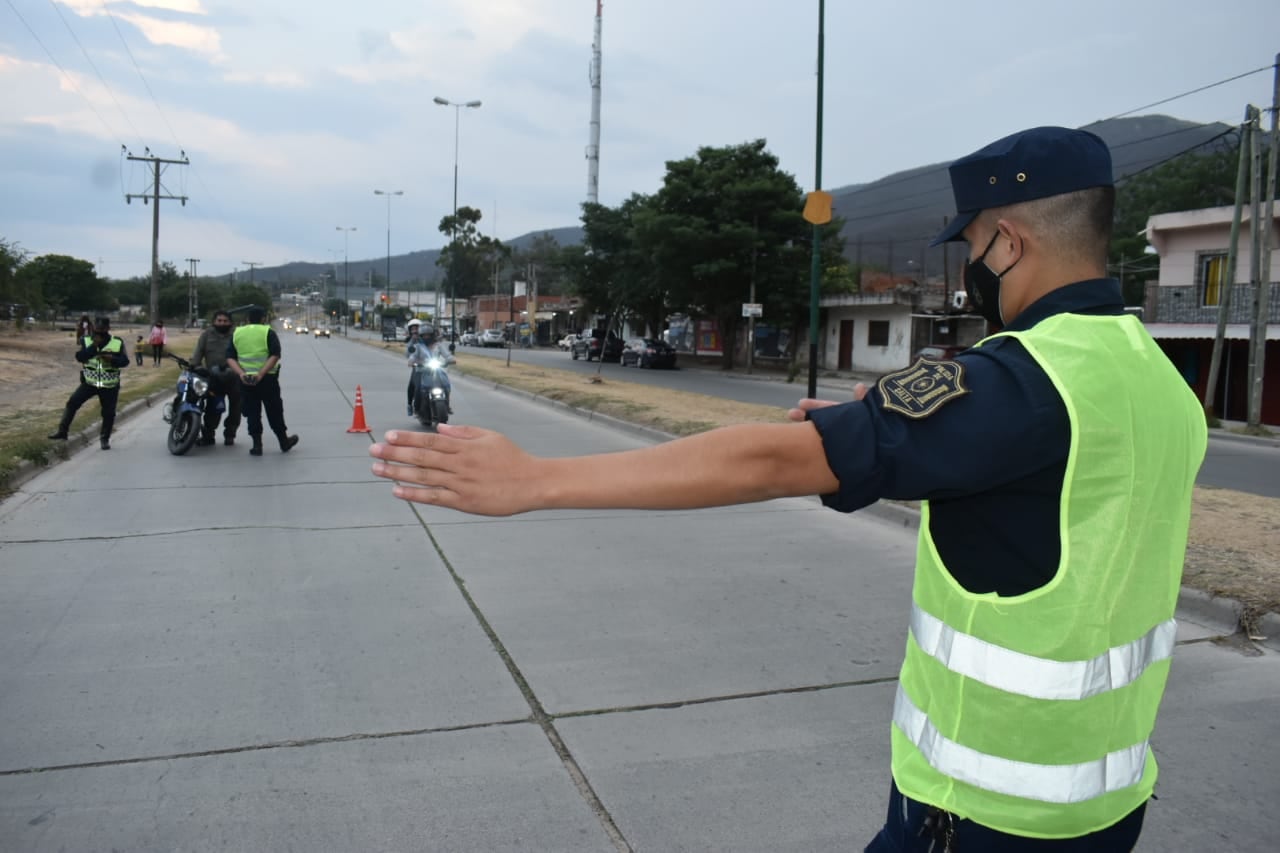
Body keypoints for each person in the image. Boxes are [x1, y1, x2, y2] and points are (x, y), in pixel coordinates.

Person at [369, 127, 1208, 850]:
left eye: (973, 248)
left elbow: (773, 462)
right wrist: (891, 433)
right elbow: (1049, 507)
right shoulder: (1159, 382)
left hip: (979, 812)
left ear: (1008, 244)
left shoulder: (1015, 384)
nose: (972, 270)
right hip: (1106, 803)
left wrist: (537, 479)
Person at [226, 305, 298, 457]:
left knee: (252, 412)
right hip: (267, 380)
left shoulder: (237, 333)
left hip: (246, 381)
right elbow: (275, 355)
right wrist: (261, 374)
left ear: (246, 319)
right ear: (264, 319)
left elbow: (230, 357)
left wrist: (241, 374)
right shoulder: (268, 332)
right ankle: (283, 441)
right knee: (275, 411)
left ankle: (257, 445)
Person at [48, 317, 129, 450]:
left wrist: (112, 358)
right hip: (89, 383)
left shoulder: (117, 342)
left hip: (109, 385)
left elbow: (125, 361)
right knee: (72, 402)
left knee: (108, 413)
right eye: (97, 329)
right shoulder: (86, 340)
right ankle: (62, 432)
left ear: (108, 329)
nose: (99, 332)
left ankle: (105, 439)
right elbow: (80, 357)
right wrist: (94, 346)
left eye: (102, 330)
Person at [188, 310, 242, 446]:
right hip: (213, 378)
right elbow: (198, 353)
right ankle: (208, 435)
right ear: (214, 322)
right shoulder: (206, 335)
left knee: (236, 408)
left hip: (234, 378)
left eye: (225, 321)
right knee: (213, 408)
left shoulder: (237, 336)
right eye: (219, 321)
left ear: (230, 323)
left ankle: (230, 434)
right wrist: (196, 366)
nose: (222, 323)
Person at [405, 319, 453, 417]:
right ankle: (416, 408)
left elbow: (447, 355)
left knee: (446, 385)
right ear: (421, 336)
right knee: (417, 388)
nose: (426, 337)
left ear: (432, 335)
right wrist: (412, 361)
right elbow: (412, 356)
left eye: (428, 335)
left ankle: (446, 405)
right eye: (424, 335)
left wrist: (451, 359)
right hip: (421, 371)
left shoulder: (438, 345)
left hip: (436, 370)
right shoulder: (418, 346)